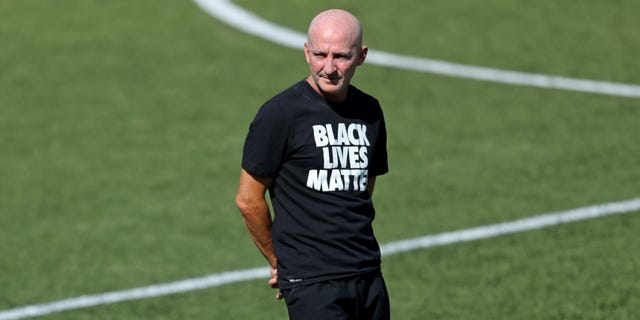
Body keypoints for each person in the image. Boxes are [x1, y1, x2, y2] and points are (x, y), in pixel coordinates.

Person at [235, 8, 390, 320]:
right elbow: (248, 199)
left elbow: (361, 189)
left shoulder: (370, 111)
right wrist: (279, 262)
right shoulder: (280, 114)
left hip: (368, 274)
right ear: (307, 52)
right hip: (312, 284)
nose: (329, 67)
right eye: (320, 54)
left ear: (361, 56)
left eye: (341, 57)